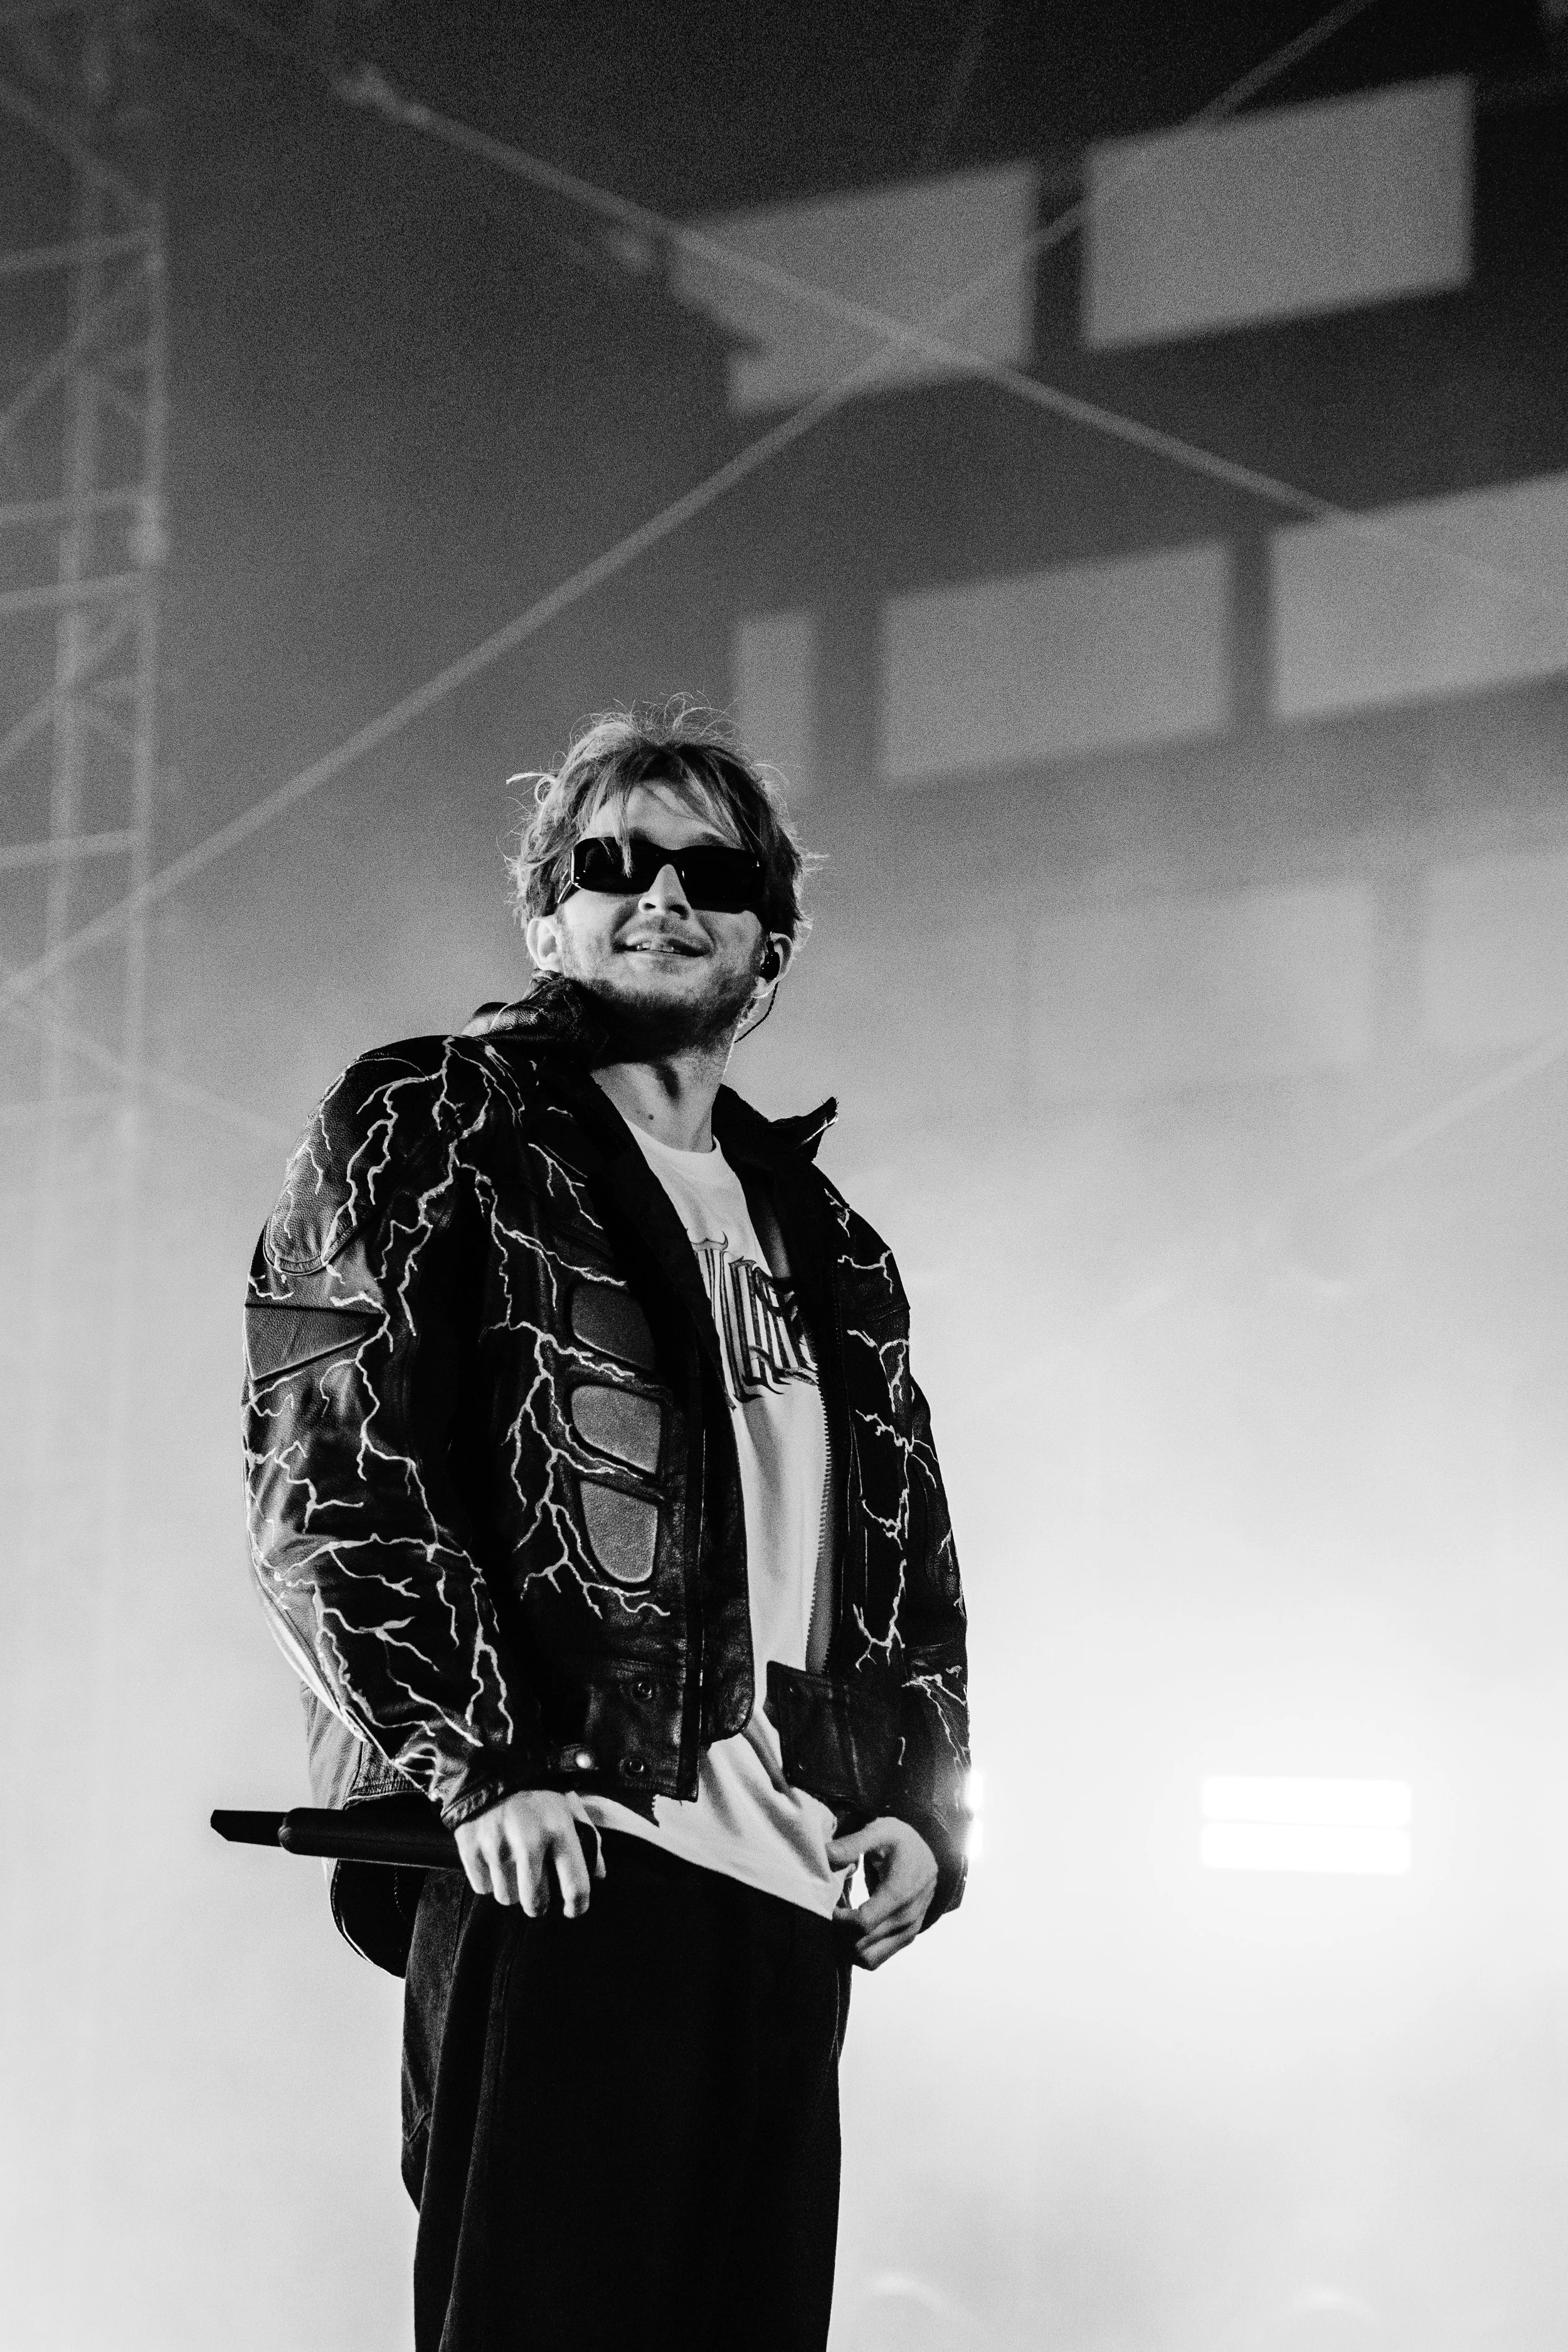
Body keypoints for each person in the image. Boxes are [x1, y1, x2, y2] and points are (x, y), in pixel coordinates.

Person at [242, 703, 970, 2352]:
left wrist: (919, 1811)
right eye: (614, 860)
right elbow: (326, 1462)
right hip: (566, 1858)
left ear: (770, 945)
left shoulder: (829, 1243)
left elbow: (906, 1559)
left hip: (787, 1901)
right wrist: (475, 1762)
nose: (664, 894)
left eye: (712, 871)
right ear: (545, 918)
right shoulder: (434, 1123)